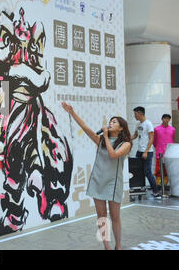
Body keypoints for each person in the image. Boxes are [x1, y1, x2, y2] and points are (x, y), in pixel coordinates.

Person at [62, 102, 131, 250]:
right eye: (110, 121)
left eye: (114, 122)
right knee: (101, 215)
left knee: (115, 216)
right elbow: (85, 128)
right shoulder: (101, 140)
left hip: (113, 183)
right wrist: (72, 113)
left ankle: (118, 246)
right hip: (97, 180)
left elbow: (113, 155)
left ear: (121, 128)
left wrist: (105, 136)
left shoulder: (125, 144)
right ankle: (107, 246)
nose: (110, 124)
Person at [131, 106, 160, 198]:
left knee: (147, 172)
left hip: (147, 151)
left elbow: (151, 139)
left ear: (140, 113)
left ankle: (156, 191)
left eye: (135, 114)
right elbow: (135, 135)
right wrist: (126, 139)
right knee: (137, 171)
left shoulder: (148, 124)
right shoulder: (137, 124)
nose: (134, 116)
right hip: (139, 151)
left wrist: (146, 151)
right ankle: (140, 189)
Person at [153, 114, 176, 186]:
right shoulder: (156, 129)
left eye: (168, 119)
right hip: (159, 153)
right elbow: (154, 141)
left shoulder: (173, 129)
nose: (166, 120)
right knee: (159, 170)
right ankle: (159, 185)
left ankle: (166, 185)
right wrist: (159, 148)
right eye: (165, 118)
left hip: (169, 153)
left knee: (168, 170)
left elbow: (172, 140)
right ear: (162, 119)